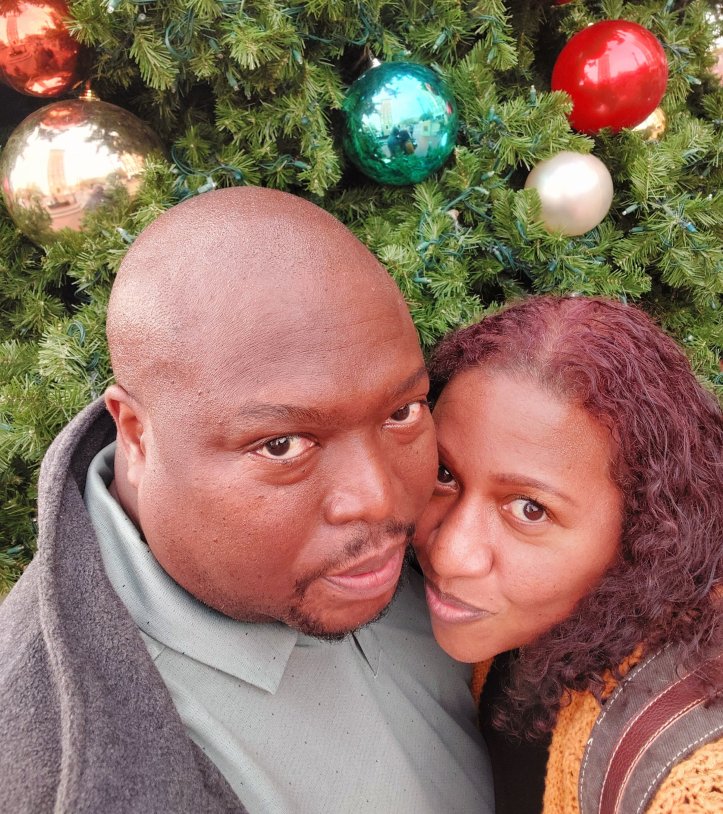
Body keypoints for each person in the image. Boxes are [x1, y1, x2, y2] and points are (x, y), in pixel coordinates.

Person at [0, 187, 493, 814]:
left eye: (402, 412)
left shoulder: (459, 524)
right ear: (137, 435)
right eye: (282, 446)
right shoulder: (47, 776)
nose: (377, 499)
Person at [413, 295, 723, 814]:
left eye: (530, 509)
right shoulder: (527, 627)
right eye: (444, 474)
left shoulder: (691, 778)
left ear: (646, 530)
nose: (448, 554)